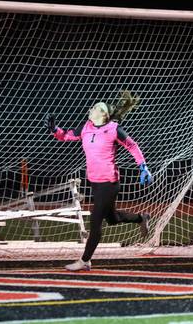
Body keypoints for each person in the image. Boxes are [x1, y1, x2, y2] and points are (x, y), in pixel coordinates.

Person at [46, 90, 153, 272]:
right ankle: (142, 218)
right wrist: (54, 129)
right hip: (94, 182)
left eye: (95, 107)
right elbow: (66, 135)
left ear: (103, 114)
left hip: (109, 183)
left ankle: (85, 260)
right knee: (112, 218)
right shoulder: (86, 127)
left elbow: (132, 146)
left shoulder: (113, 129)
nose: (91, 108)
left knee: (96, 220)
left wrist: (143, 167)